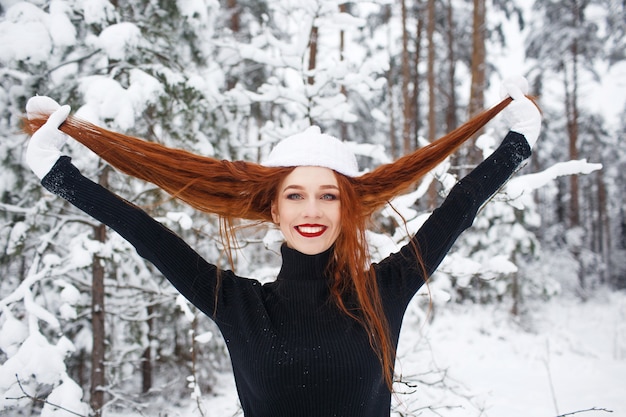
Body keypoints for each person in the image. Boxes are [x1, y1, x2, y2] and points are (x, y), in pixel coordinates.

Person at [23, 76, 541, 417]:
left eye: (327, 196)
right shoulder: (238, 305)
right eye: (295, 195)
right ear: (275, 209)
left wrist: (516, 145)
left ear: (346, 209)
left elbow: (460, 204)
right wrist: (58, 174)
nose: (311, 211)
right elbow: (144, 233)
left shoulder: (385, 289)